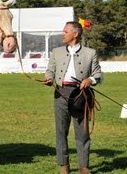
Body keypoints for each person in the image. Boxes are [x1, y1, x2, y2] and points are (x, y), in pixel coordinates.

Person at [42, 21, 102, 174]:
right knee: (61, 132)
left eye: (65, 31)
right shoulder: (56, 51)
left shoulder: (91, 53)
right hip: (60, 94)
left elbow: (98, 75)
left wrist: (90, 80)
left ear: (75, 34)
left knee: (82, 133)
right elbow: (50, 70)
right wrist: (49, 78)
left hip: (81, 96)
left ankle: (84, 167)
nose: (63, 34)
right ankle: (64, 166)